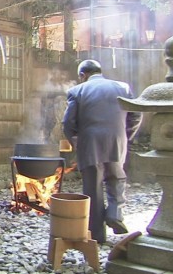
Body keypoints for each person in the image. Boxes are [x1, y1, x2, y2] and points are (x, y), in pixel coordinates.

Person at [62, 59, 142, 244]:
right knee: (117, 178)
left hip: (90, 143)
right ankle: (115, 214)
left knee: (93, 188)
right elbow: (137, 114)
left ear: (83, 75)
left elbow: (68, 123)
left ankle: (97, 235)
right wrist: (125, 134)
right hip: (116, 140)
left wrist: (75, 141)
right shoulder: (123, 87)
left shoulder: (77, 91)